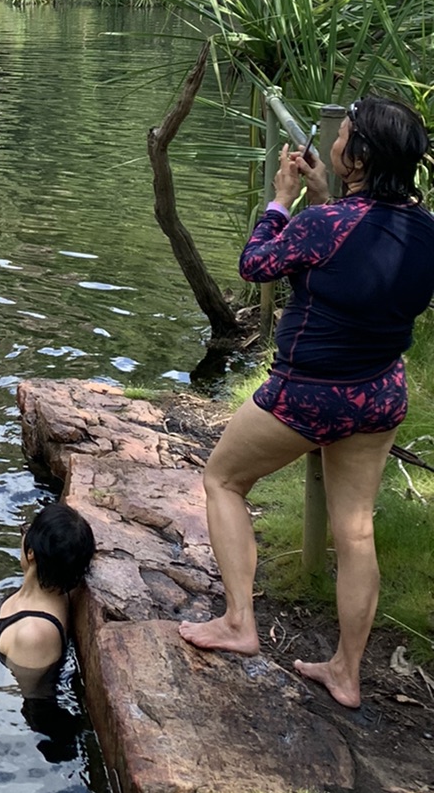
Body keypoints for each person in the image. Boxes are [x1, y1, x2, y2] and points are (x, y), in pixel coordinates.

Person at [181, 96, 434, 708]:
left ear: (359, 155)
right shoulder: (425, 228)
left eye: (344, 135)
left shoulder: (323, 224)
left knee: (223, 480)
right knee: (356, 532)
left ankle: (240, 622)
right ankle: (347, 673)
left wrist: (281, 202)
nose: (338, 141)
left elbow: (255, 265)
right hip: (379, 394)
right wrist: (329, 200)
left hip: (309, 393)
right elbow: (361, 248)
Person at [0, 502, 95, 698]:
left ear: (31, 553)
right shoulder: (53, 588)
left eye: (26, 530)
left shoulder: (33, 635)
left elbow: (11, 699)